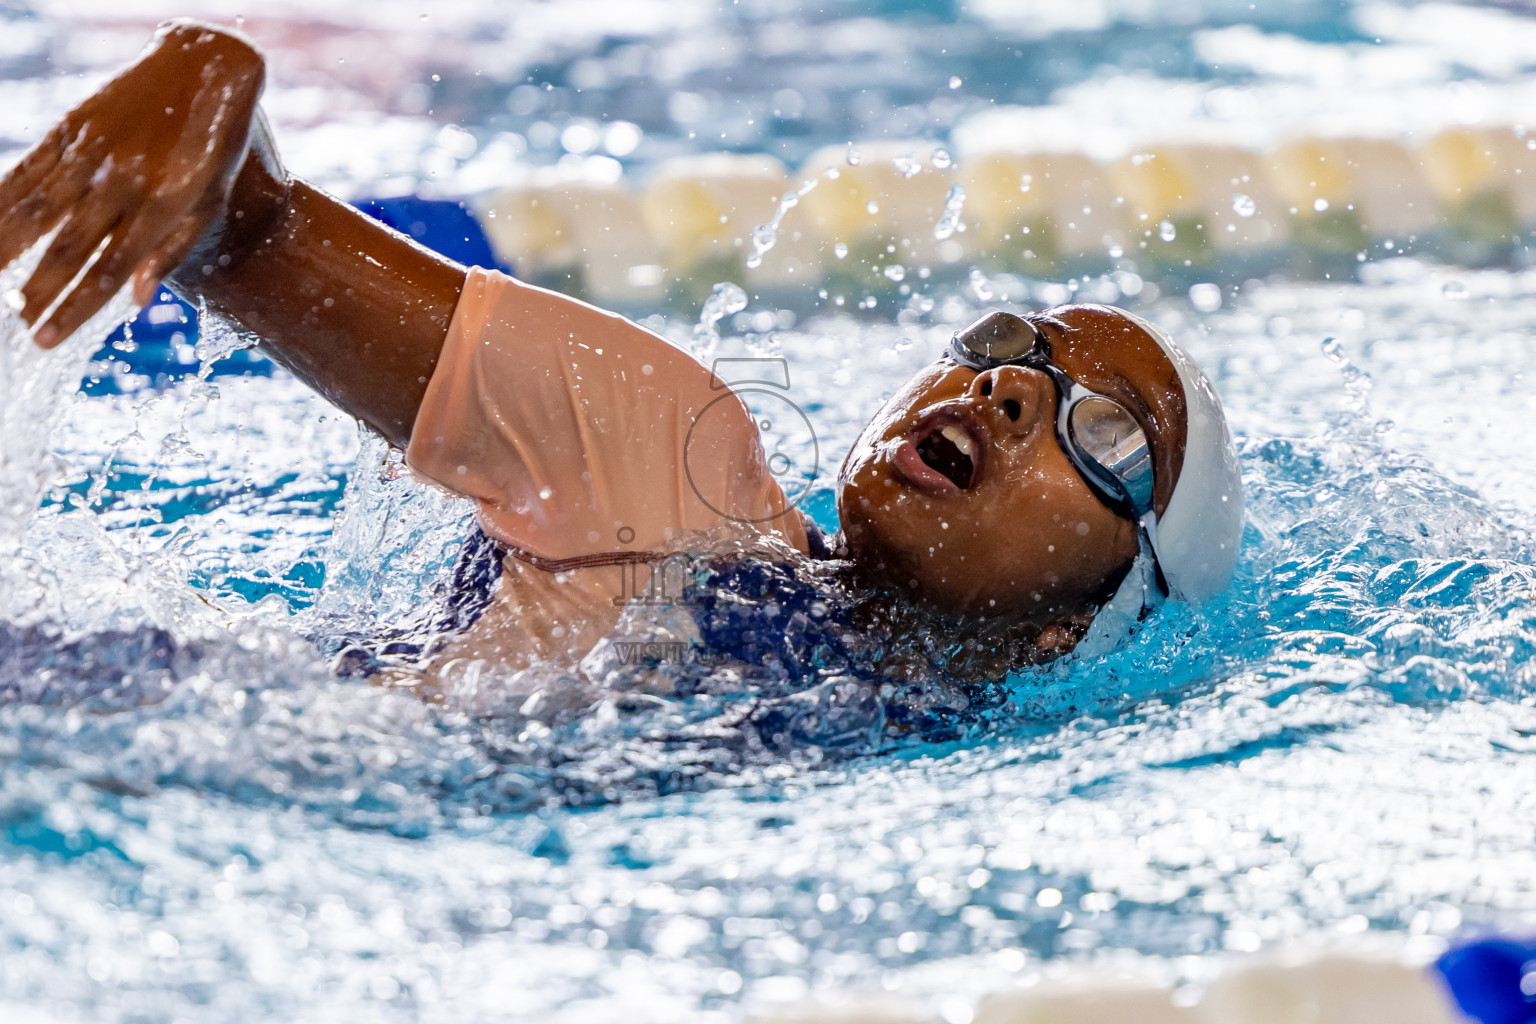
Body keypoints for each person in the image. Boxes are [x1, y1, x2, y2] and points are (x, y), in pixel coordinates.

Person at [0, 21, 1242, 704]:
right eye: (1003, 344)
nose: (1006, 386)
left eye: (1113, 434)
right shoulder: (673, 460)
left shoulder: (909, 749)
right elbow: (252, 224)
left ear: (1077, 626)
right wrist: (215, 76)